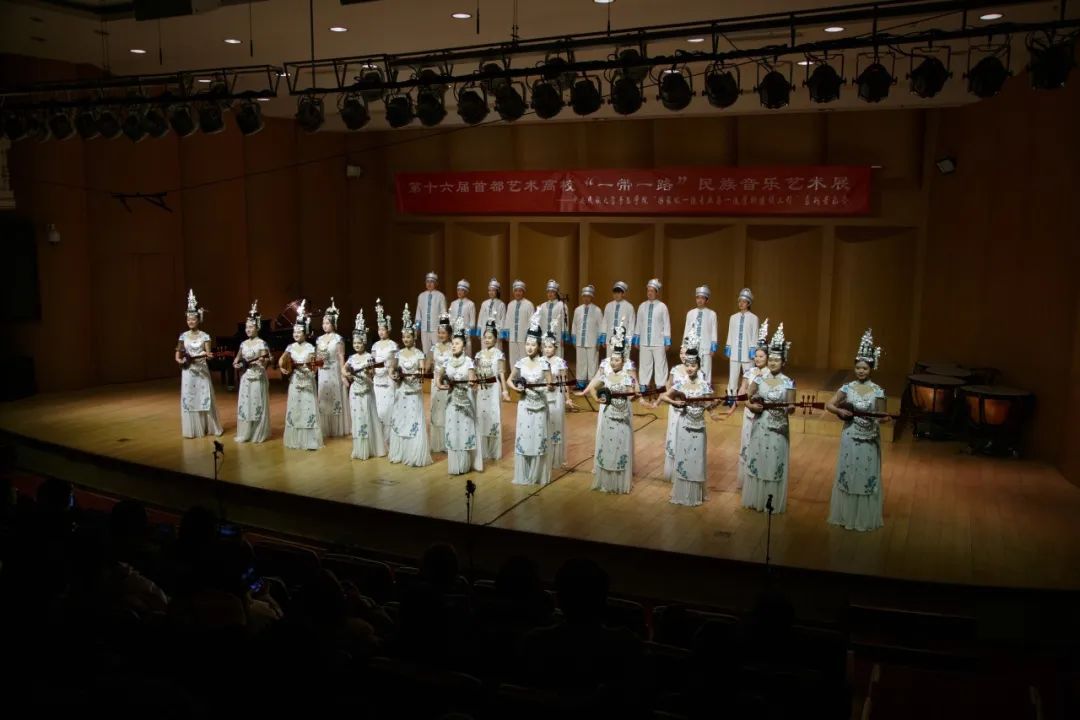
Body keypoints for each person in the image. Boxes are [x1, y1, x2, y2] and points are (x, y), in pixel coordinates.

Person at [826, 329, 888, 532]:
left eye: (865, 368)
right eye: (858, 367)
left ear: (871, 368)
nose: (861, 371)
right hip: (851, 435)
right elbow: (829, 404)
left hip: (869, 437)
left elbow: (882, 415)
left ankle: (863, 517)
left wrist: (884, 418)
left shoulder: (878, 391)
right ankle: (846, 514)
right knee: (849, 470)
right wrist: (840, 411)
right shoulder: (847, 388)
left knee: (865, 473)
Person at [658, 333, 721, 507]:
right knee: (684, 456)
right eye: (687, 365)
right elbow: (664, 396)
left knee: (697, 458)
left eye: (693, 365)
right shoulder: (680, 384)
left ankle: (695, 494)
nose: (690, 368)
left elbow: (708, 405)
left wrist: (714, 407)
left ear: (699, 365)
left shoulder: (704, 385)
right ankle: (681, 493)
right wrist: (675, 403)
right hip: (684, 425)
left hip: (699, 426)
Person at [578, 318, 637, 494]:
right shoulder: (605, 364)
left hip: (622, 408)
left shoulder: (628, 367)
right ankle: (603, 467)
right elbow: (596, 380)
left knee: (621, 440)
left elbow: (634, 388)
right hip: (607, 406)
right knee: (605, 437)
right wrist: (588, 392)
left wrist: (636, 396)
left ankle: (621, 472)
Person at [741, 323, 795, 513]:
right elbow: (745, 397)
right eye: (770, 359)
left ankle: (771, 501)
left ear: (783, 362)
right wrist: (751, 406)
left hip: (779, 428)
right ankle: (756, 499)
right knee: (759, 459)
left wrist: (788, 408)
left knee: (774, 461)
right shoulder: (758, 379)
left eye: (776, 360)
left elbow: (791, 407)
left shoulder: (788, 383)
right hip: (760, 425)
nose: (772, 363)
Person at [725, 319, 771, 489]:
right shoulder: (749, 372)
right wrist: (735, 406)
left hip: (764, 414)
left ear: (767, 357)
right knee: (746, 443)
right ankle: (746, 480)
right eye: (756, 356)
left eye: (761, 356)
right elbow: (742, 389)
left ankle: (759, 480)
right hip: (749, 412)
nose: (758, 359)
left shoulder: (770, 374)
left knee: (761, 445)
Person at [509, 311, 552, 486]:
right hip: (524, 404)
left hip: (540, 405)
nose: (529, 347)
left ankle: (537, 474)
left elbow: (550, 385)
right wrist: (516, 388)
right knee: (525, 437)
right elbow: (509, 380)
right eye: (527, 344)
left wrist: (545, 387)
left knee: (538, 438)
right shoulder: (520, 362)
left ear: (539, 346)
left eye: (533, 344)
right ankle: (524, 473)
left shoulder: (544, 363)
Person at [175, 289, 224, 439]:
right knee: (190, 397)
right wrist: (180, 360)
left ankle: (208, 427)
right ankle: (193, 429)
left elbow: (208, 355)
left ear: (199, 319)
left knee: (203, 396)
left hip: (201, 370)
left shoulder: (205, 336)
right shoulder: (183, 336)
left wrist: (208, 356)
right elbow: (178, 353)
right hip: (188, 371)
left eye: (193, 319)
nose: (190, 321)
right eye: (188, 319)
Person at [437, 317, 483, 475]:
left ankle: (465, 464)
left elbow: (473, 382)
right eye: (453, 343)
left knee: (464, 429)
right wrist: (440, 384)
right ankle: (454, 464)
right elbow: (438, 378)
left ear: (463, 345)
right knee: (453, 429)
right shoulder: (447, 362)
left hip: (465, 402)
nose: (454, 346)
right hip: (451, 401)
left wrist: (473, 384)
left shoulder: (469, 362)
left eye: (457, 343)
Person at [389, 304, 432, 467]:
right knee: (401, 419)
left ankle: (414, 454)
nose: (406, 339)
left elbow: (422, 371)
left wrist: (417, 375)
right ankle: (400, 452)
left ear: (414, 337)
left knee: (413, 420)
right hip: (401, 391)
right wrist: (394, 375)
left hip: (414, 392)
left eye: (409, 337)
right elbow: (392, 369)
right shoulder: (398, 354)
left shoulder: (419, 354)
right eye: (404, 337)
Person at [279, 300, 323, 450]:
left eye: (299, 332)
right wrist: (282, 368)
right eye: (294, 332)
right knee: (295, 408)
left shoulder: (310, 347)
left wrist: (311, 370)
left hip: (307, 381)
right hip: (295, 381)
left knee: (307, 407)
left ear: (305, 333)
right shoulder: (290, 347)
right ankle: (295, 440)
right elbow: (281, 360)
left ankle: (310, 440)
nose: (296, 334)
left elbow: (315, 365)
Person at [344, 309, 386, 460]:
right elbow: (344, 369)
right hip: (354, 392)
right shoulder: (351, 358)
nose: (356, 345)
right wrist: (347, 374)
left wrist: (369, 372)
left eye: (359, 342)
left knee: (367, 417)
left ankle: (369, 448)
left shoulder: (369, 358)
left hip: (366, 391)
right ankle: (359, 449)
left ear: (364, 342)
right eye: (354, 343)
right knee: (357, 418)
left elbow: (372, 374)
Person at [474, 310, 511, 461]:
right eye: (485, 337)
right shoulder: (478, 354)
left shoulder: (499, 354)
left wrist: (505, 391)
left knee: (493, 417)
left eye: (490, 337)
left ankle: (493, 451)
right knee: (481, 417)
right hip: (481, 389)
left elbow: (501, 373)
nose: (487, 340)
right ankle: (483, 451)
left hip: (494, 389)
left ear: (496, 339)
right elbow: (475, 373)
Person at [233, 300, 271, 444]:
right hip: (246, 377)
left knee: (256, 403)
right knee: (246, 404)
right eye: (246, 327)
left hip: (257, 376)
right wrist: (236, 364)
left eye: (251, 327)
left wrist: (261, 362)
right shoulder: (243, 344)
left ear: (257, 328)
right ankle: (246, 432)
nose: (248, 330)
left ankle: (257, 432)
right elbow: (237, 359)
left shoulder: (261, 343)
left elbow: (265, 362)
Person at [316, 298, 350, 439]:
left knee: (335, 397)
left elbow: (341, 356)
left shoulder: (338, 339)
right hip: (322, 371)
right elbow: (317, 357)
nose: (325, 326)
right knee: (323, 397)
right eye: (323, 323)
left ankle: (336, 427)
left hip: (334, 370)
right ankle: (325, 428)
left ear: (333, 324)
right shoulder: (319, 339)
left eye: (327, 323)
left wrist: (343, 374)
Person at [634, 278, 671, 393]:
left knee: (660, 365)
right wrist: (636, 339)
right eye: (648, 290)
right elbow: (638, 324)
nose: (649, 293)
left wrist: (667, 341)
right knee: (644, 365)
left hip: (658, 342)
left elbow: (666, 324)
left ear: (656, 292)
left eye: (652, 291)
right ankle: (644, 386)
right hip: (644, 342)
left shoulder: (662, 306)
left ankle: (660, 387)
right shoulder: (642, 306)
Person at [543, 320, 571, 469]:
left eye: (550, 347)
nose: (547, 349)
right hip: (543, 396)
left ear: (555, 347)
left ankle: (555, 458)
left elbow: (564, 382)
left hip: (556, 397)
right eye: (545, 347)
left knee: (555, 425)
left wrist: (568, 398)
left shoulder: (560, 362)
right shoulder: (540, 361)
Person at [725, 287, 761, 397]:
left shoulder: (754, 318)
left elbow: (755, 335)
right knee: (733, 377)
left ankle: (750, 398)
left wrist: (753, 349)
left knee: (750, 376)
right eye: (740, 301)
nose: (741, 303)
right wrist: (728, 346)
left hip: (747, 353)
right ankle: (731, 397)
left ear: (748, 303)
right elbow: (730, 333)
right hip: (735, 352)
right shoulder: (733, 317)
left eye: (744, 301)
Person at [371, 298, 398, 441]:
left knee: (388, 407)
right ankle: (378, 436)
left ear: (388, 329)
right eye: (379, 329)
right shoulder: (375, 345)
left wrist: (391, 371)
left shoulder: (393, 345)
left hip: (388, 379)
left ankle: (389, 436)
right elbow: (372, 362)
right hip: (377, 379)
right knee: (378, 407)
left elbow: (395, 363)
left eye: (383, 329)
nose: (381, 332)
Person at [683, 285, 719, 385]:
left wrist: (713, 348)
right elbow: (686, 330)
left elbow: (714, 331)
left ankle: (705, 391)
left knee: (706, 371)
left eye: (702, 298)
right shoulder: (690, 313)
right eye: (698, 297)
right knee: (691, 370)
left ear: (706, 300)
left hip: (706, 348)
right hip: (692, 348)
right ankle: (692, 390)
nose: (699, 300)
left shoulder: (712, 314)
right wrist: (684, 347)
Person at [428, 313, 453, 454]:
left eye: (443, 333)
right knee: (436, 410)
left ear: (449, 334)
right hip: (435, 381)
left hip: (447, 383)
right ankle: (437, 443)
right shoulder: (434, 347)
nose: (441, 335)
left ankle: (447, 443)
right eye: (439, 333)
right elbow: (429, 363)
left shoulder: (453, 347)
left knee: (446, 410)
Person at [570, 284, 602, 389]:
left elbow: (601, 326)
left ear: (592, 297)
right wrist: (574, 338)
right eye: (584, 296)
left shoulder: (597, 310)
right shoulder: (577, 310)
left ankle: (592, 385)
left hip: (592, 342)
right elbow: (574, 325)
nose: (586, 298)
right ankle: (580, 384)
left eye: (588, 296)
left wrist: (599, 340)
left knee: (592, 363)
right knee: (581, 363)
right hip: (580, 341)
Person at [502, 279, 535, 366]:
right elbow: (507, 320)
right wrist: (506, 334)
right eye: (516, 291)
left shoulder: (529, 304)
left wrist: (530, 336)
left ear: (523, 292)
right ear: (513, 292)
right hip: (512, 337)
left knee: (525, 358)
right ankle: (514, 375)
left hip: (524, 337)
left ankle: (524, 374)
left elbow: (532, 322)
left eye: (520, 291)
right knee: (513, 359)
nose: (518, 293)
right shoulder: (510, 305)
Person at [602, 281, 635, 362]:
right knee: (609, 361)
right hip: (610, 339)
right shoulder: (608, 306)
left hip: (623, 340)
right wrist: (603, 337)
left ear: (623, 294)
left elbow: (631, 324)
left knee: (623, 361)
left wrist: (628, 339)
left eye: (619, 292)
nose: (616, 295)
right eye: (615, 292)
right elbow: (605, 322)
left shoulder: (629, 307)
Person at [416, 271, 447, 354]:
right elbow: (418, 313)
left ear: (436, 283)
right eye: (427, 281)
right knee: (426, 351)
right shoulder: (421, 296)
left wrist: (443, 328)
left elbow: (443, 312)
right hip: (424, 329)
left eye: (432, 282)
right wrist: (417, 327)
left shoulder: (440, 295)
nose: (429, 284)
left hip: (436, 329)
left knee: (438, 351)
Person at [538, 279, 570, 358]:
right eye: (548, 292)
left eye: (552, 292)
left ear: (556, 293)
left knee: (557, 358)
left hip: (557, 337)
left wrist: (564, 337)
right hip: (545, 337)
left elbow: (564, 322)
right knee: (545, 359)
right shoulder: (542, 306)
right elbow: (540, 322)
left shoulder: (561, 305)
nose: (550, 294)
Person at [448, 279, 477, 356]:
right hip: (454, 335)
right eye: (458, 290)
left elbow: (472, 322)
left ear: (466, 291)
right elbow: (450, 319)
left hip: (466, 336)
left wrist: (466, 334)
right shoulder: (453, 303)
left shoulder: (470, 304)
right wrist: (451, 332)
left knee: (466, 355)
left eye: (462, 290)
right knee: (454, 355)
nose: (459, 292)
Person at [477, 278, 506, 352]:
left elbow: (503, 320)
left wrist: (501, 334)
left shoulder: (501, 304)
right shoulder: (484, 303)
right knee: (485, 353)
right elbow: (480, 318)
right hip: (484, 333)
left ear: (497, 291)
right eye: (489, 290)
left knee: (496, 353)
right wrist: (479, 332)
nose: (491, 292)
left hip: (496, 334)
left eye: (493, 290)